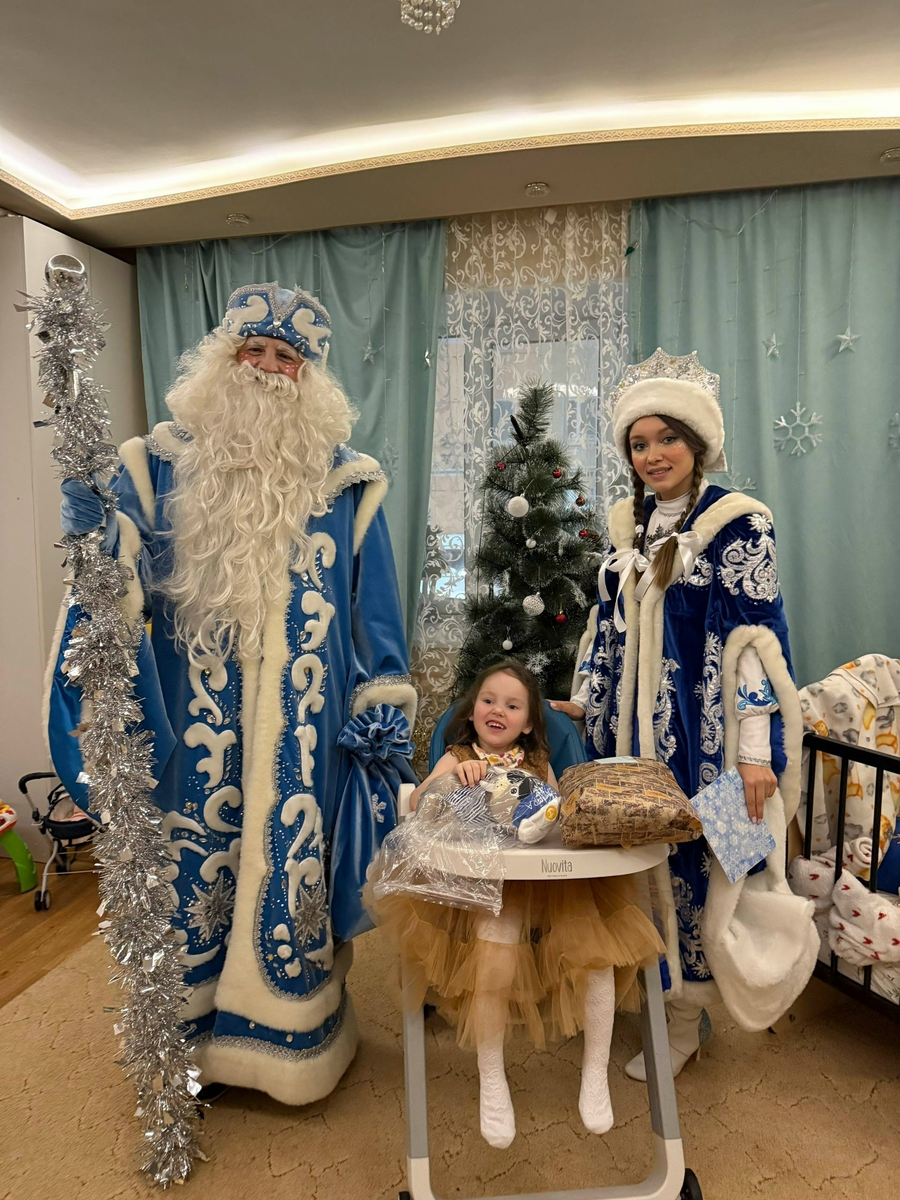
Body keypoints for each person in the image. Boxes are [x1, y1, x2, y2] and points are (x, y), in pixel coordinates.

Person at [46, 283, 418, 1105]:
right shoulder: (157, 464)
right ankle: (189, 1043)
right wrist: (93, 529)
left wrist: (380, 726)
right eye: (254, 350)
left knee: (293, 874)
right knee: (191, 877)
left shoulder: (348, 483)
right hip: (194, 724)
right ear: (223, 358)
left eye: (287, 357)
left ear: (309, 379)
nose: (267, 368)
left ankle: (290, 1045)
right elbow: (116, 578)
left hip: (306, 732)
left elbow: (376, 616)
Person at [552, 348, 816, 1080]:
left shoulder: (738, 524)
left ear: (697, 443)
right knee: (637, 872)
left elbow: (755, 645)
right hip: (625, 745)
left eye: (667, 438)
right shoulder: (625, 528)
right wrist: (585, 699)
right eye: (639, 443)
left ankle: (685, 1018)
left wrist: (756, 754)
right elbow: (605, 633)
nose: (653, 455)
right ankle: (651, 995)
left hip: (708, 746)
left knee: (707, 869)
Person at [366, 660, 664, 1148]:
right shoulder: (459, 755)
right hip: (486, 882)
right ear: (472, 711)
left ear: (527, 722)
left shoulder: (538, 760)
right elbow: (418, 803)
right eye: (488, 701)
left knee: (596, 958)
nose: (497, 710)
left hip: (551, 881)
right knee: (495, 948)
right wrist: (451, 777)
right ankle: (492, 1078)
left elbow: (559, 816)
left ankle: (595, 1073)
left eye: (511, 705)